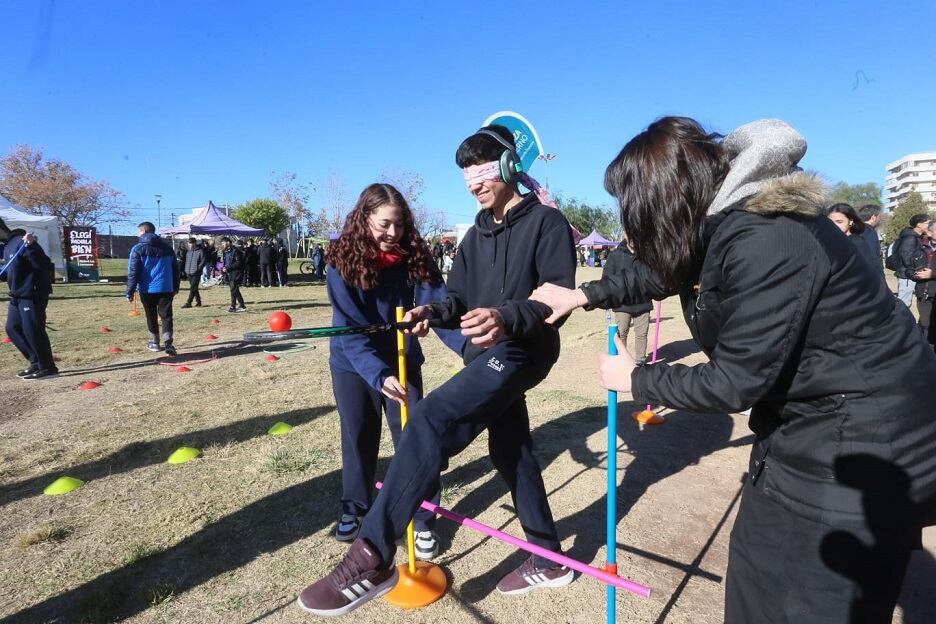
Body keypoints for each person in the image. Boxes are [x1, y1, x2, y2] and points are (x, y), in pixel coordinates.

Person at [530, 117, 936, 623]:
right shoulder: (719, 229)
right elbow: (662, 272)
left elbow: (734, 381)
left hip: (866, 440)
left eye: (634, 208)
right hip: (802, 427)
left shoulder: (770, 238)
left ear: (667, 200)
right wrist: (584, 294)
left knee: (816, 600)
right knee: (754, 575)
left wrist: (637, 379)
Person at [298, 125, 577, 616]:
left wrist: (506, 316)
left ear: (511, 167)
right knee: (512, 449)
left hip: (521, 351)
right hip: (484, 356)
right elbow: (454, 300)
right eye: (467, 177)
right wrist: (433, 313)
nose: (474, 185)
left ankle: (371, 556)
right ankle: (549, 558)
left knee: (426, 419)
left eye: (483, 173)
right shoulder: (475, 234)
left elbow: (557, 299)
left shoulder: (547, 224)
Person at [322, 183, 466, 563]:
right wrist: (378, 374)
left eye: (400, 225)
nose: (393, 234)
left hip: (403, 355)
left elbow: (440, 306)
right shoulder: (340, 260)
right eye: (385, 224)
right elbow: (350, 329)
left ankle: (422, 519)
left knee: (416, 438)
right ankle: (355, 506)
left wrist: (470, 349)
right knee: (357, 437)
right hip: (353, 363)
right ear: (363, 217)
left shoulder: (414, 254)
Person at [0, 218, 57, 379]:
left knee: (33, 330)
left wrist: (31, 247)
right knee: (13, 328)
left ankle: (48, 367)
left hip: (32, 294)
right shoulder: (7, 247)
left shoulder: (24, 242)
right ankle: (35, 362)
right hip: (16, 295)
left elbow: (45, 265)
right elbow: (11, 269)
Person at [126, 222, 180, 355]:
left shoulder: (137, 249)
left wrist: (129, 291)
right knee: (166, 316)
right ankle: (169, 344)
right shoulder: (168, 248)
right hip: (166, 288)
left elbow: (133, 272)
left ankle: (155, 342)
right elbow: (175, 270)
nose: (138, 234)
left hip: (147, 289)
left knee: (151, 315)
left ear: (143, 231)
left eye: (138, 232)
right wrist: (175, 287)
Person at [607, 242, 652, 364]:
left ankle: (640, 363)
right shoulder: (615, 255)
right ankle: (621, 360)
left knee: (641, 334)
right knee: (621, 334)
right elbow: (607, 278)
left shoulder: (647, 254)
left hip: (643, 302)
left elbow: (653, 276)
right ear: (625, 233)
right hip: (622, 303)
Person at [825, 203, 880, 270]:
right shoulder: (829, 242)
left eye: (839, 222)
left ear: (850, 222)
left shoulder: (858, 243)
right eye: (830, 222)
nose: (834, 225)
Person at [893, 214, 930, 306]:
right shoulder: (910, 238)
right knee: (904, 304)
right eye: (927, 223)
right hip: (907, 276)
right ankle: (898, 320)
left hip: (911, 274)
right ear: (919, 224)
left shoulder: (916, 237)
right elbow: (906, 258)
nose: (929, 226)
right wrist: (919, 268)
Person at [912, 220, 936, 348]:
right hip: (923, 294)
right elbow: (907, 267)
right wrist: (913, 274)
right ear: (930, 232)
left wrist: (932, 275)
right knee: (925, 325)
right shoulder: (919, 247)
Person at [220, 237, 246, 312]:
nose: (222, 244)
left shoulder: (235, 251)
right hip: (229, 273)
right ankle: (242, 305)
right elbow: (226, 262)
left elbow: (238, 263)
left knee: (233, 289)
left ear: (228, 242)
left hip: (236, 273)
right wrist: (224, 269)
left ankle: (233, 306)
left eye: (223, 243)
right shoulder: (225, 251)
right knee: (235, 289)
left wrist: (228, 267)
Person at [181, 238, 206, 308]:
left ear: (195, 243)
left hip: (196, 273)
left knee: (193, 288)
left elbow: (203, 261)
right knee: (194, 288)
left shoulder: (200, 251)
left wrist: (198, 269)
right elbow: (187, 261)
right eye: (189, 243)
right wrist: (185, 270)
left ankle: (189, 302)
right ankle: (199, 302)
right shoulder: (188, 252)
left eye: (191, 243)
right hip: (188, 272)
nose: (190, 244)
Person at [857, 204, 883, 269]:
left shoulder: (856, 230)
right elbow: (872, 255)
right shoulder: (869, 231)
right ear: (873, 217)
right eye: (879, 216)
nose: (879, 219)